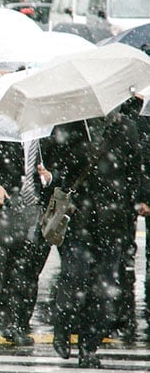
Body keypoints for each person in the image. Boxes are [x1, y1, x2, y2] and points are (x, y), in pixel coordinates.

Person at [46, 111, 142, 368]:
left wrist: (137, 201)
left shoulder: (125, 128)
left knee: (104, 288)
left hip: (113, 224)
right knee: (73, 278)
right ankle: (63, 328)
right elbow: (54, 166)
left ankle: (89, 346)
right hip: (78, 221)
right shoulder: (69, 124)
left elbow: (135, 169)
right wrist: (75, 162)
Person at [0, 139, 52, 345]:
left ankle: (20, 321)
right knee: (11, 269)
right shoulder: (4, 130)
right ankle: (13, 323)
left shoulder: (48, 133)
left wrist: (51, 176)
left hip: (41, 210)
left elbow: (67, 164)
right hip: (11, 208)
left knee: (32, 271)